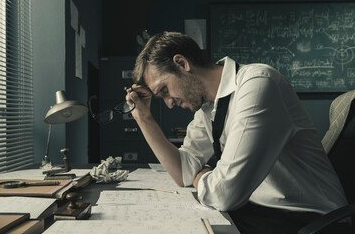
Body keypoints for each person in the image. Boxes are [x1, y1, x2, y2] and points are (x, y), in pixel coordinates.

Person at [125, 31, 348, 233]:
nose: (169, 103)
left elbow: (224, 194)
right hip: (261, 211)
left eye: (164, 90)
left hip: (311, 220)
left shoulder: (258, 83)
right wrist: (144, 118)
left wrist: (201, 175)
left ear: (182, 63)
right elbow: (183, 173)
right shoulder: (208, 107)